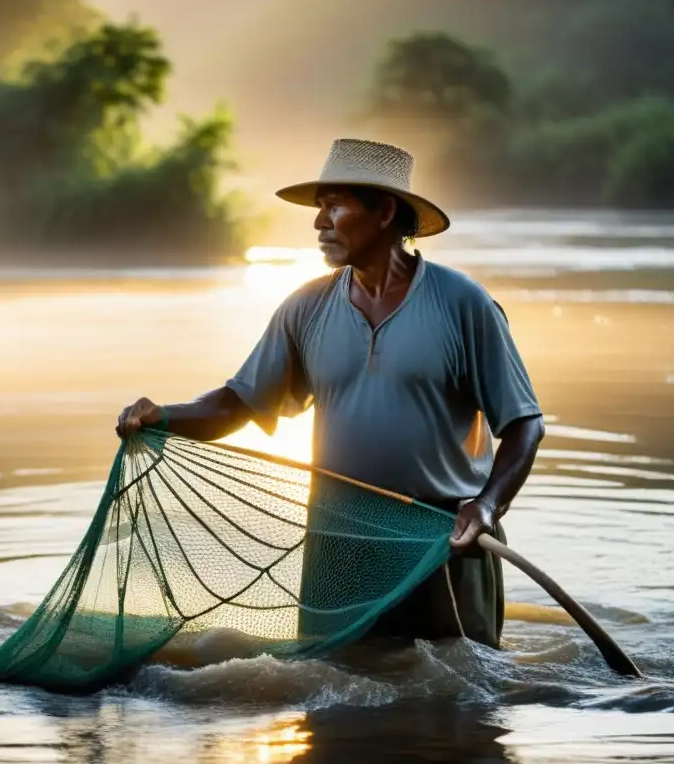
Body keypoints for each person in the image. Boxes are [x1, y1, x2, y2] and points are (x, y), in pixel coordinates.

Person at [115, 138, 545, 649]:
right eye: (319, 208)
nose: (320, 223)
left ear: (384, 211)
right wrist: (163, 416)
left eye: (334, 206)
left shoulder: (462, 304)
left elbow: (524, 424)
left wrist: (488, 505)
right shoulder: (307, 308)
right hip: (339, 549)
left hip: (444, 543)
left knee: (458, 708)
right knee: (333, 701)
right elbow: (237, 403)